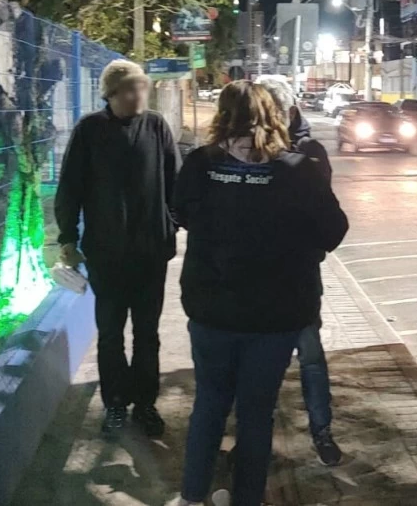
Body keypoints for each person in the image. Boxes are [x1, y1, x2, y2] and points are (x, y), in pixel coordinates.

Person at [168, 82, 349, 506]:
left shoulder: (200, 163)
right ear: (273, 115)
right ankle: (247, 497)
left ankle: (193, 496)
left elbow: (181, 212)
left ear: (223, 114)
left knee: (209, 404)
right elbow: (334, 230)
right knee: (256, 412)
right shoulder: (298, 170)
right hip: (276, 314)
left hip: (212, 307)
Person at [55, 59, 180, 438]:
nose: (139, 93)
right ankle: (114, 405)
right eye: (130, 88)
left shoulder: (156, 126)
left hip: (150, 254)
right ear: (111, 94)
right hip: (106, 255)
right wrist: (66, 238)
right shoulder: (90, 130)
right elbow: (70, 189)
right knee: (110, 334)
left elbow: (176, 181)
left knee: (147, 334)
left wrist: (170, 225)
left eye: (142, 86)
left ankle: (145, 403)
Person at [254, 75, 342, 466]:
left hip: (300, 275)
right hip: (258, 275)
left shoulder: (309, 152)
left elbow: (328, 219)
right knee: (261, 361)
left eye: (270, 112)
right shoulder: (249, 149)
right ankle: (258, 436)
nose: (264, 121)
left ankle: (321, 431)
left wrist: (308, 250)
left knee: (309, 356)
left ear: (287, 112)